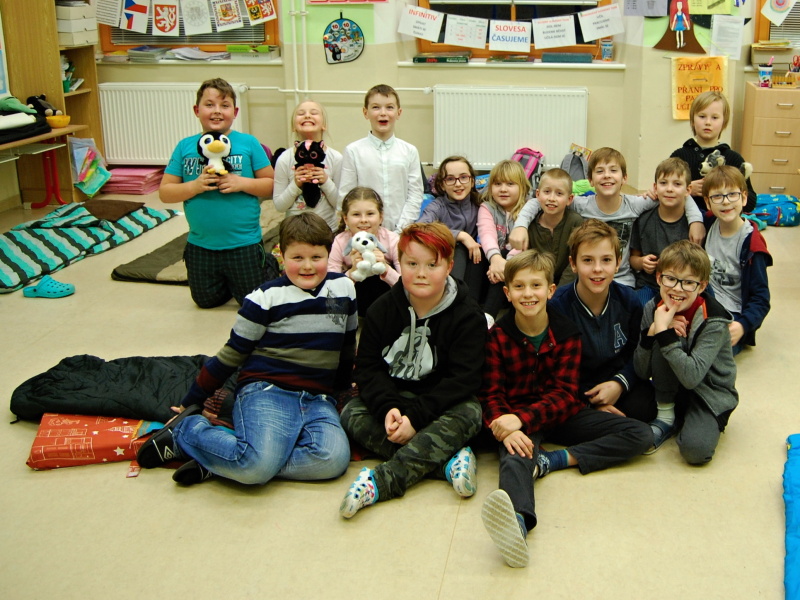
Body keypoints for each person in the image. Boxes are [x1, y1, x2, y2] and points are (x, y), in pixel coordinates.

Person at [136, 213, 357, 487]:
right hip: (269, 391)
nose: (307, 266)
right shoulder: (264, 298)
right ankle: (187, 432)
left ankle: (222, 461)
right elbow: (232, 355)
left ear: (329, 254)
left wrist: (342, 389)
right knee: (256, 468)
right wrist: (192, 401)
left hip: (318, 399)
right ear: (282, 256)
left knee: (332, 461)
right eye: (297, 258)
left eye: (316, 257)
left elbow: (347, 344)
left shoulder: (344, 288)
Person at [480, 249, 652, 568]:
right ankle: (517, 522)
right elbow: (490, 393)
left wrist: (520, 419)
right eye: (519, 287)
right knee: (516, 456)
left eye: (536, 286)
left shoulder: (566, 332)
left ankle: (553, 460)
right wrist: (505, 426)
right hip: (517, 418)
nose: (528, 294)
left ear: (550, 290)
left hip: (557, 413)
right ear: (507, 293)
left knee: (639, 434)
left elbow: (564, 394)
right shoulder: (497, 337)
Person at [338, 222, 487, 519]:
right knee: (350, 413)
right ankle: (446, 462)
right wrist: (387, 409)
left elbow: (464, 379)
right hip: (395, 400)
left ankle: (381, 483)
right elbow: (367, 369)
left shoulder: (468, 315)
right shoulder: (381, 309)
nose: (421, 273)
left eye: (432, 265)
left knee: (471, 413)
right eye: (412, 264)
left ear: (449, 266)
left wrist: (417, 420)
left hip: (438, 405)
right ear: (399, 264)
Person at [509, 147, 705, 287]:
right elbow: (540, 201)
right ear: (590, 180)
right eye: (600, 171)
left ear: (624, 178)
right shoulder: (580, 204)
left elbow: (675, 195)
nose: (607, 176)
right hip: (588, 278)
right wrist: (520, 226)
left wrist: (696, 220)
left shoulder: (635, 204)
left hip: (622, 280)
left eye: (613, 170)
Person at [160, 78, 275, 309]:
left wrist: (240, 182)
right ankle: (226, 279)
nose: (217, 111)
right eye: (209, 104)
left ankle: (268, 263)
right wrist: (194, 186)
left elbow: (271, 185)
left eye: (224, 105)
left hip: (243, 244)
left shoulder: (248, 143)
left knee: (252, 303)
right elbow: (165, 192)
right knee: (205, 302)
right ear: (197, 110)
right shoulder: (185, 146)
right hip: (201, 245)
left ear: (235, 112)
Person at [634, 240, 739, 461]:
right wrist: (652, 332)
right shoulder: (653, 308)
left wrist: (664, 333)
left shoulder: (714, 320)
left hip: (708, 392)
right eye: (670, 278)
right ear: (658, 278)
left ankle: (688, 416)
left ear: (702, 286)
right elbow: (641, 372)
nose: (677, 289)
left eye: (689, 282)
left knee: (695, 450)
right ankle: (667, 416)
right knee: (630, 410)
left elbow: (692, 378)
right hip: (672, 386)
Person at [548, 219, 656, 424]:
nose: (597, 269)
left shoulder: (629, 300)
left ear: (618, 263)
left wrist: (620, 383)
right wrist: (590, 401)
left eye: (606, 260)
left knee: (645, 408)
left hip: (615, 378)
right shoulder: (558, 307)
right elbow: (554, 368)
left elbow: (637, 351)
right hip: (577, 386)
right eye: (587, 260)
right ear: (573, 264)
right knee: (563, 416)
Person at [702, 166, 771, 355]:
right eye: (717, 196)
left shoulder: (752, 245)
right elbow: (681, 202)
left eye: (732, 194)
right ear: (708, 202)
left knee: (712, 353)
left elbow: (761, 298)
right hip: (704, 302)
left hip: (732, 314)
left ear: (744, 197)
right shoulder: (708, 222)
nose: (726, 202)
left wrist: (743, 325)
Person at [337, 84, 423, 233]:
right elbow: (346, 195)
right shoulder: (353, 151)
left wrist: (400, 230)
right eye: (376, 107)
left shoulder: (409, 151)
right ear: (366, 113)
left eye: (389, 107)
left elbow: (415, 195)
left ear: (399, 112)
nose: (383, 113)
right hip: (363, 232)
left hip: (400, 231)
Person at [670, 91, 756, 213]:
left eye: (715, 118)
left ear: (724, 122)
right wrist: (686, 190)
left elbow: (750, 203)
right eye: (702, 116)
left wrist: (728, 191)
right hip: (685, 220)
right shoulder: (679, 156)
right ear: (693, 120)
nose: (708, 122)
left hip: (722, 221)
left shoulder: (733, 158)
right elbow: (663, 193)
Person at [419, 156, 486, 303]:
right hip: (448, 259)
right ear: (442, 185)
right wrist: (460, 235)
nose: (458, 184)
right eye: (450, 179)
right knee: (459, 247)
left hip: (475, 261)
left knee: (481, 250)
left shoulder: (479, 202)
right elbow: (421, 228)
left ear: (472, 181)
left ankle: (471, 306)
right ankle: (452, 299)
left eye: (463, 177)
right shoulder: (437, 206)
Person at [629, 157, 693, 306]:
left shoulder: (694, 224)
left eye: (677, 184)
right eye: (663, 183)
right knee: (640, 308)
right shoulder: (643, 219)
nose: (669, 189)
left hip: (683, 287)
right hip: (649, 285)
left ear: (688, 190)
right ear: (655, 187)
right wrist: (642, 262)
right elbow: (633, 259)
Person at [329, 186, 401, 316]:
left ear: (381, 217)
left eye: (370, 214)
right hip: (355, 303)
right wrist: (352, 272)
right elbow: (331, 287)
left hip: (387, 304)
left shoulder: (392, 240)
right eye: (356, 214)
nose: (363, 220)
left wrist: (385, 268)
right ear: (346, 219)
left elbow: (405, 284)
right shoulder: (340, 241)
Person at [273, 99, 342, 231]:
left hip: (327, 231)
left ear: (324, 125)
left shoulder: (336, 158)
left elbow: (341, 205)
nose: (307, 116)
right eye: (301, 113)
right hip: (294, 232)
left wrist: (326, 181)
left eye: (314, 113)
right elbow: (279, 206)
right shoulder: (284, 159)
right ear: (293, 126)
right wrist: (296, 184)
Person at [477, 159, 531, 317]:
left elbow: (524, 244)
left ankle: (488, 316)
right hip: (492, 264)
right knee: (476, 256)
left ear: (522, 187)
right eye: (497, 184)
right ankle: (470, 310)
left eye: (510, 184)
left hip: (516, 263)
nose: (503, 189)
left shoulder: (528, 208)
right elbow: (487, 235)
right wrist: (495, 259)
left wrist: (505, 265)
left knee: (506, 255)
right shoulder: (487, 207)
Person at [527, 167, 584, 289]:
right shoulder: (530, 223)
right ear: (538, 194)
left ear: (569, 199)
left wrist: (559, 291)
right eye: (547, 192)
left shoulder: (575, 222)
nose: (552, 198)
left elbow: (576, 260)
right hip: (537, 284)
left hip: (568, 285)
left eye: (559, 193)